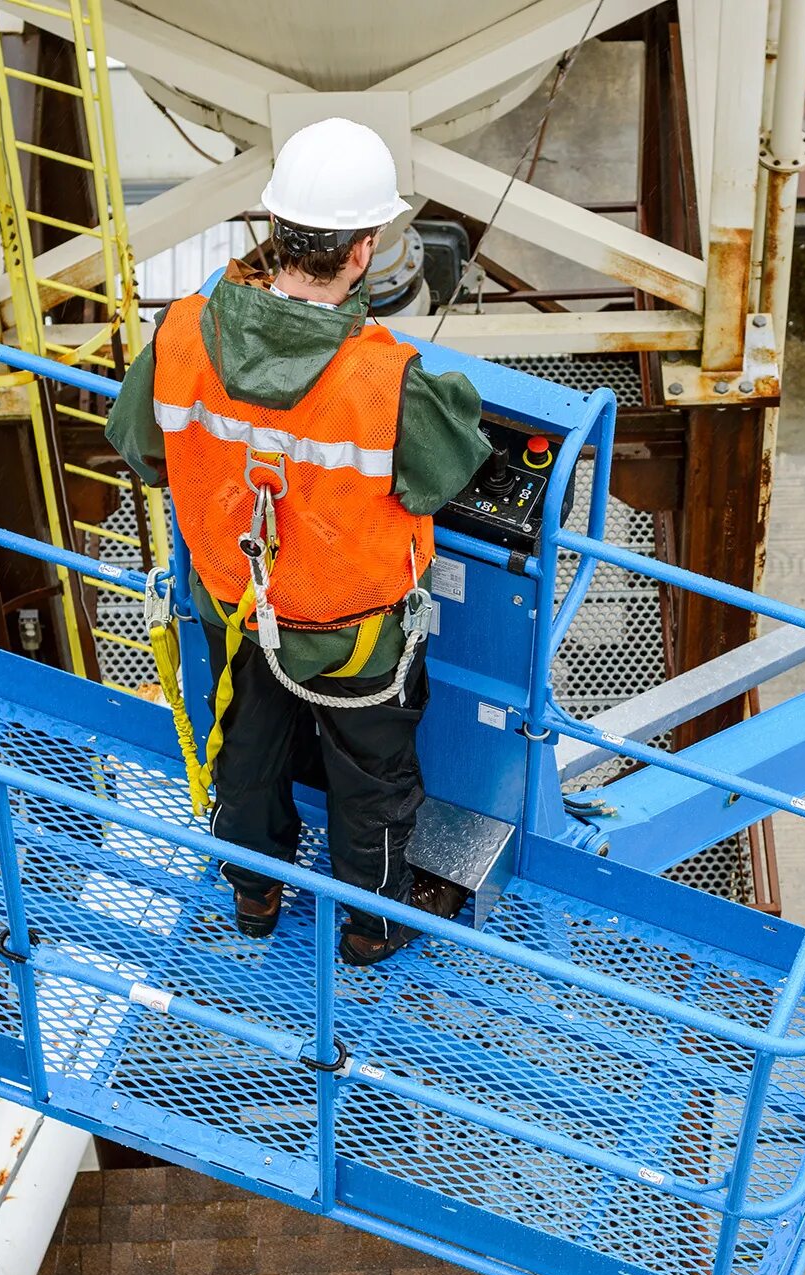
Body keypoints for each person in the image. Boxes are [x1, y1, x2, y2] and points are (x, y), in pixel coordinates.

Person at [108, 118, 493, 964]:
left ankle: (253, 895)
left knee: (246, 747)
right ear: (363, 251)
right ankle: (371, 928)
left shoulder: (182, 332)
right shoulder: (385, 377)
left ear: (273, 232)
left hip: (238, 607)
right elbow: (444, 472)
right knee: (371, 777)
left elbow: (141, 447)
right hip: (355, 636)